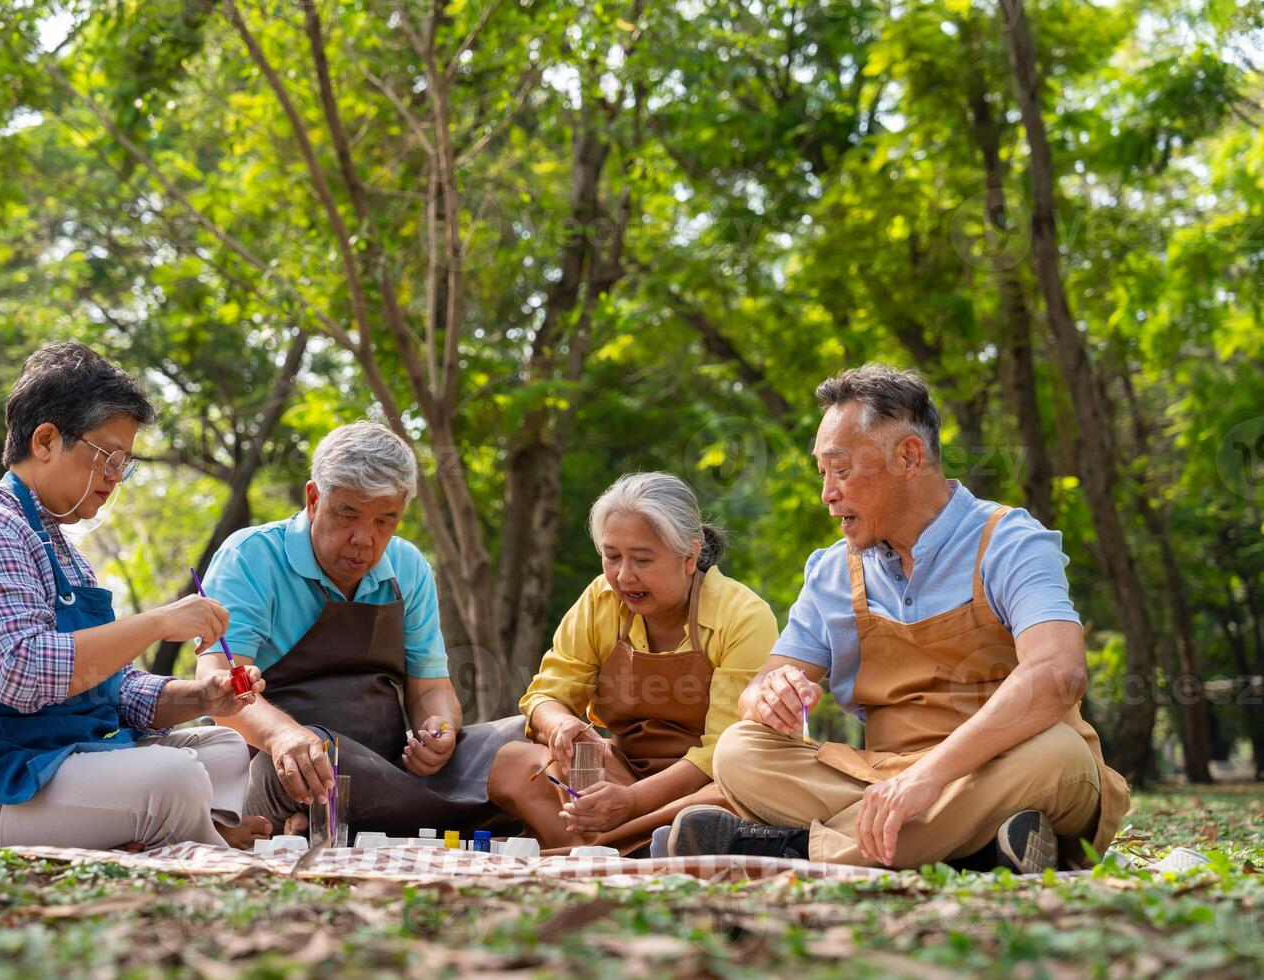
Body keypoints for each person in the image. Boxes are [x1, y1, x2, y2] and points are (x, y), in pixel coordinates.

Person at [669, 364, 1130, 872]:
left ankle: (793, 851)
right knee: (739, 751)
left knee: (1060, 755)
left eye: (840, 470)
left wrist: (930, 776)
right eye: (823, 474)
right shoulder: (830, 571)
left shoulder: (1010, 542)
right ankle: (975, 851)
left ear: (909, 456)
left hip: (1010, 765)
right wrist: (769, 695)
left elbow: (1058, 672)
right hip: (882, 780)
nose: (827, 493)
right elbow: (760, 689)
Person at [0, 343, 269, 850]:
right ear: (45, 440)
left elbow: (112, 688)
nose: (114, 478)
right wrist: (157, 623)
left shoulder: (59, 548)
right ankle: (194, 841)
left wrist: (198, 698)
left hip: (32, 758)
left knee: (223, 746)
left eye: (124, 464)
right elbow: (20, 674)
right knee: (175, 777)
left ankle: (157, 832)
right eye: (108, 456)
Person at [199, 421, 523, 837]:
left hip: (388, 770)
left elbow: (431, 690)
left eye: (384, 521)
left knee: (517, 737)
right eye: (348, 514)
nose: (363, 539)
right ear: (314, 499)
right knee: (317, 759)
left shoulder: (408, 568)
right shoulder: (251, 558)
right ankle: (423, 820)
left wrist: (438, 729)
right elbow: (218, 684)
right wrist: (284, 735)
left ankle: (360, 821)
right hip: (288, 764)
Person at [488, 472, 779, 855]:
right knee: (517, 764)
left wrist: (633, 801)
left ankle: (597, 846)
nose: (624, 576)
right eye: (612, 557)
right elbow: (546, 693)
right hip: (618, 769)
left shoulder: (743, 616)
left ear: (690, 556)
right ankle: (655, 845)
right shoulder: (600, 599)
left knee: (738, 795)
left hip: (703, 783)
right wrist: (560, 725)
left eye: (642, 559)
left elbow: (725, 750)